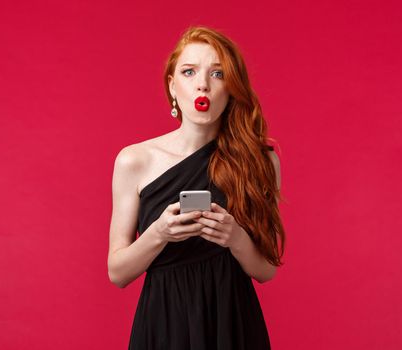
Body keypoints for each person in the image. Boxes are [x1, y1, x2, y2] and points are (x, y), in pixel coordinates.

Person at [107, 25, 286, 350]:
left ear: (232, 88)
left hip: (233, 321)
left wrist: (235, 237)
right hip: (164, 323)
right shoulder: (133, 160)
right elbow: (117, 273)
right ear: (173, 87)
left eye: (218, 74)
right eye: (189, 72)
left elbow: (266, 271)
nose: (202, 83)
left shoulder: (261, 161)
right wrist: (159, 233)